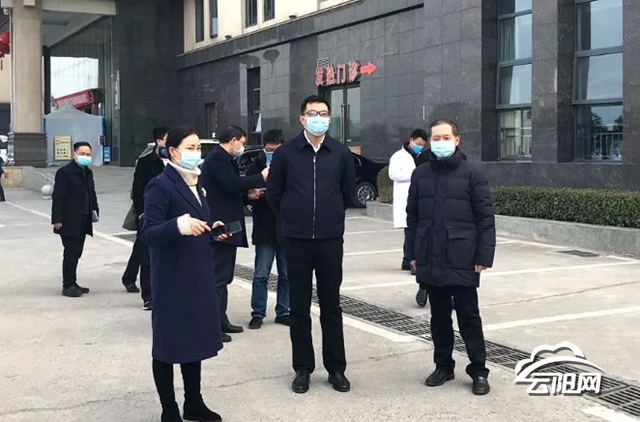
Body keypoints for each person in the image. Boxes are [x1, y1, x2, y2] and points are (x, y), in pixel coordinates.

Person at [267, 95, 356, 394]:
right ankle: (303, 368)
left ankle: (336, 369)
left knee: (331, 305)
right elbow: (274, 194)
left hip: (330, 240)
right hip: (297, 240)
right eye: (313, 113)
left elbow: (347, 193)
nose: (319, 118)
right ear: (302, 119)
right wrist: (292, 217)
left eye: (324, 113)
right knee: (299, 307)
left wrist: (331, 215)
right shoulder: (285, 154)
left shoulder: (340, 153)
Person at [405, 119, 496, 396]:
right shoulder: (420, 174)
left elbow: (485, 219)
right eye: (436, 138)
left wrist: (483, 256)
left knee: (469, 317)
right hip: (431, 255)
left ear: (457, 140)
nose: (441, 142)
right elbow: (413, 217)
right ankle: (443, 366)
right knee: (439, 317)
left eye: (446, 138)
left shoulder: (473, 174)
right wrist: (411, 253)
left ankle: (478, 370)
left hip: (463, 257)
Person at [143, 127, 226, 422]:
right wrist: (180, 225)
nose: (196, 153)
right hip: (172, 279)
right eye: (190, 148)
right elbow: (149, 232)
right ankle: (169, 409)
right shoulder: (160, 185)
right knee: (167, 346)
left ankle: (194, 402)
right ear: (173, 151)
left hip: (197, 275)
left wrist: (211, 229)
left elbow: (196, 222)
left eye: (198, 148)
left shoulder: (196, 184)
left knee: (194, 342)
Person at [200, 125, 268, 343]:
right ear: (232, 140)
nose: (242, 147)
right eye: (242, 142)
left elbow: (230, 190)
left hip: (229, 224)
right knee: (217, 278)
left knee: (225, 277)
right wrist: (260, 177)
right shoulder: (217, 158)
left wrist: (249, 195)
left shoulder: (226, 159)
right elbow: (231, 184)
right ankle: (213, 325)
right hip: (221, 226)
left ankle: (222, 320)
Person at [121, 127, 169, 310]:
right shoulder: (146, 162)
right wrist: (142, 213)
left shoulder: (176, 161)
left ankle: (130, 277)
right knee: (147, 254)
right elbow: (138, 190)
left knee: (144, 250)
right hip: (149, 214)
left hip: (170, 214)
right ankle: (148, 296)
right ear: (159, 141)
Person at [246, 129, 289, 329]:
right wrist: (255, 193)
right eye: (269, 150)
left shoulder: (290, 165)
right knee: (261, 274)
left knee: (286, 274)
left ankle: (283, 311)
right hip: (264, 226)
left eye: (276, 150)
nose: (272, 153)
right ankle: (258, 312)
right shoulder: (255, 166)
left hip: (286, 227)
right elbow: (246, 192)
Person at [51, 142, 100, 298]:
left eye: (88, 154)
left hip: (83, 218)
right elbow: (58, 197)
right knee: (71, 252)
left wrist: (95, 210)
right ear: (75, 155)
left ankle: (73, 282)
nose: (86, 157)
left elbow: (91, 193)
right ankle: (67, 285)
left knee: (77, 252)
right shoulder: (65, 172)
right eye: (82, 154)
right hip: (69, 219)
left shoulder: (87, 172)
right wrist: (57, 219)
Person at [388, 129, 428, 308]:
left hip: (420, 198)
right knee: (410, 231)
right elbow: (393, 174)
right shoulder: (398, 156)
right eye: (418, 144)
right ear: (411, 140)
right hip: (406, 197)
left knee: (415, 231)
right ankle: (409, 260)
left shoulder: (422, 157)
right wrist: (414, 174)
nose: (420, 147)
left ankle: (411, 260)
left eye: (422, 145)